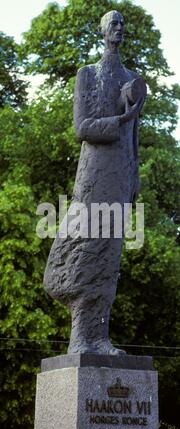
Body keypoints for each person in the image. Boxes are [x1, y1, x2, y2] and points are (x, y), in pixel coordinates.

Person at [44, 10, 147, 355]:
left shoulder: (132, 78)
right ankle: (80, 337)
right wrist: (120, 117)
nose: (118, 29)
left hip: (121, 175)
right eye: (113, 24)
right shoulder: (88, 75)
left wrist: (135, 176)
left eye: (122, 24)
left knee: (110, 256)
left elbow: (133, 136)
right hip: (93, 174)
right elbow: (81, 128)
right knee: (86, 248)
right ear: (102, 31)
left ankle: (98, 338)